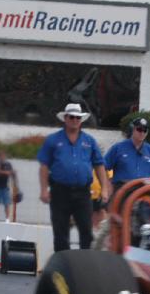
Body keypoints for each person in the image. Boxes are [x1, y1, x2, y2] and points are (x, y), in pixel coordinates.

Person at [38, 102, 109, 252]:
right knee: (60, 232)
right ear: (65, 118)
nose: (75, 120)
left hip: (83, 192)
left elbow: (99, 165)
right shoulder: (53, 140)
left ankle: (86, 262)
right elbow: (44, 166)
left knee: (86, 231)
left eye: (78, 117)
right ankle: (63, 264)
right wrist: (44, 189)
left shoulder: (89, 141)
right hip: (59, 192)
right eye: (71, 117)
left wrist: (104, 189)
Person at [105, 117, 150, 194]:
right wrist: (107, 185)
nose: (142, 133)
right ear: (133, 130)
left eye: (145, 130)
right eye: (139, 129)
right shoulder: (118, 148)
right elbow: (103, 167)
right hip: (122, 190)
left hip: (144, 192)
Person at [0, 149, 18, 222]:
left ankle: (7, 218)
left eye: (3, 156)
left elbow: (12, 173)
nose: (2, 157)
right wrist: (7, 172)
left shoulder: (8, 164)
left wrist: (15, 183)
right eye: (0, 156)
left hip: (5, 187)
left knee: (7, 203)